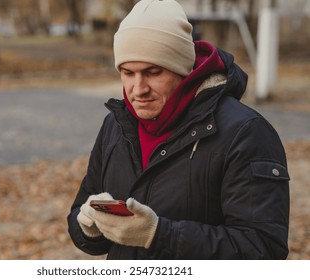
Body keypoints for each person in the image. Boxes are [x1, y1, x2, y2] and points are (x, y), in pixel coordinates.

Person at [67, 0, 290, 259]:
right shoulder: (116, 125)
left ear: (183, 69)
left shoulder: (245, 134)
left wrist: (158, 235)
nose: (138, 89)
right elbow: (80, 219)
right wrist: (88, 228)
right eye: (127, 73)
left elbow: (263, 250)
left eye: (153, 72)